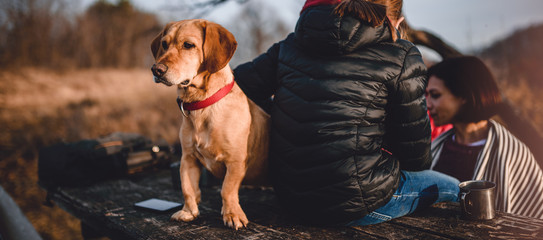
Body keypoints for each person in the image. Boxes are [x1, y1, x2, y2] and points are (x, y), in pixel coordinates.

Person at [233, 0, 459, 226]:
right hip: (359, 205)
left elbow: (238, 85)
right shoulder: (402, 55)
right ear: (396, 22)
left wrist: (282, 117)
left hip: (291, 199)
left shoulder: (288, 47)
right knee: (454, 187)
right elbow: (416, 158)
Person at [426, 56, 543, 219]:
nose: (427, 104)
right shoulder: (435, 148)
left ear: (464, 96)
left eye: (435, 95)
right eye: (426, 95)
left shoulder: (512, 154)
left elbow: (533, 215)